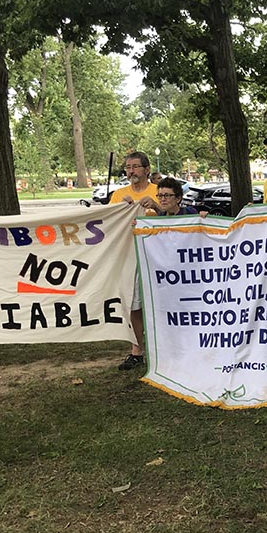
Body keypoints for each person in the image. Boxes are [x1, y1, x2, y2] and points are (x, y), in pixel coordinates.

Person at [109, 153, 159, 371]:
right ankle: (137, 350)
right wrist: (119, 209)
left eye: (136, 166)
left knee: (160, 304)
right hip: (130, 255)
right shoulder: (119, 194)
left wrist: (157, 207)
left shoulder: (158, 192)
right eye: (128, 167)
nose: (131, 171)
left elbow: (176, 216)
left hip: (158, 255)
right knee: (134, 304)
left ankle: (165, 349)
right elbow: (107, 223)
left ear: (147, 170)